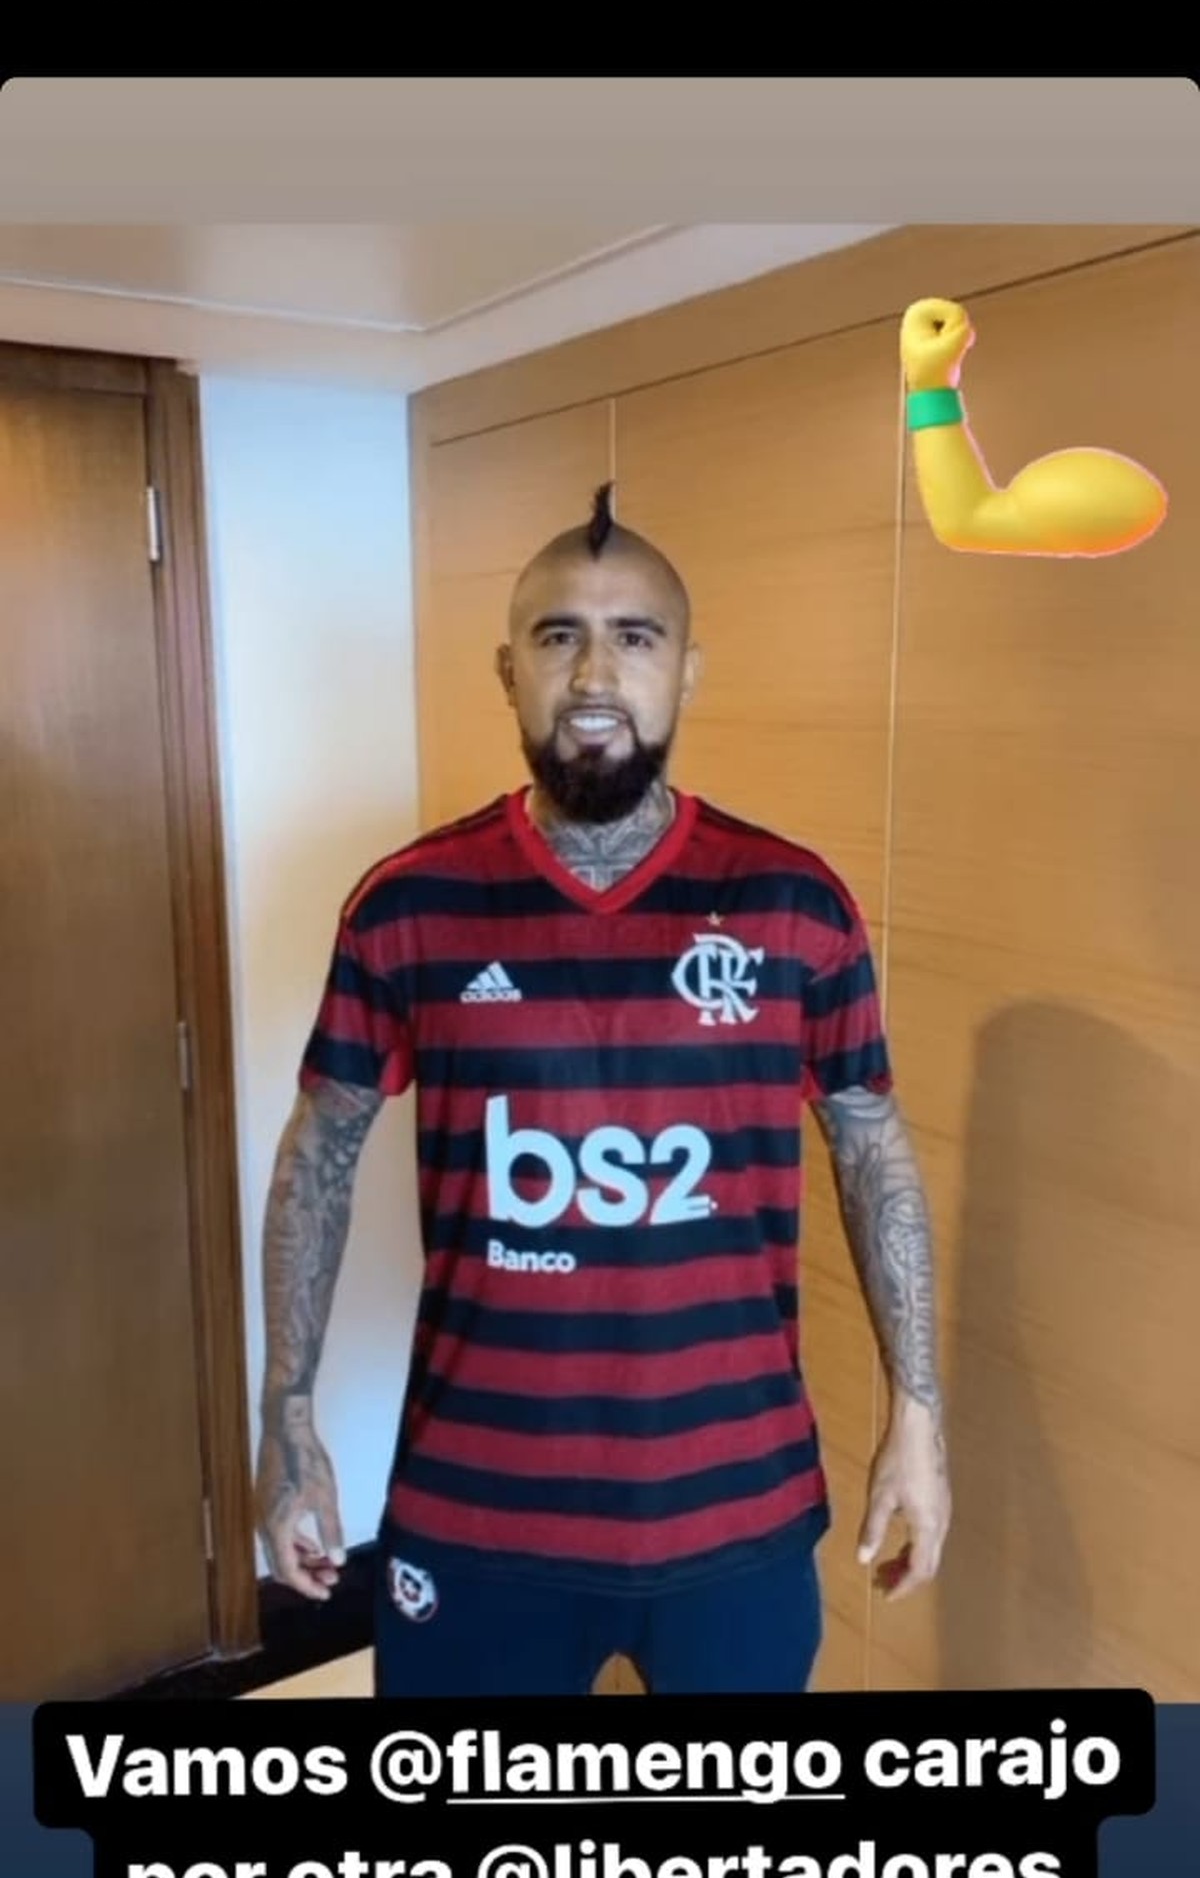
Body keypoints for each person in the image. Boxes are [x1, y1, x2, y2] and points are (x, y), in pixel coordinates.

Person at [254, 484, 951, 1695]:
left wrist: (921, 1416)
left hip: (737, 1508)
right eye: (557, 635)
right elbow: (317, 1150)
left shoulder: (795, 905)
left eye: (636, 638)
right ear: (506, 669)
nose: (594, 674)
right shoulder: (410, 905)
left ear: (688, 671)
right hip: (477, 1517)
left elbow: (871, 1146)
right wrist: (288, 1413)